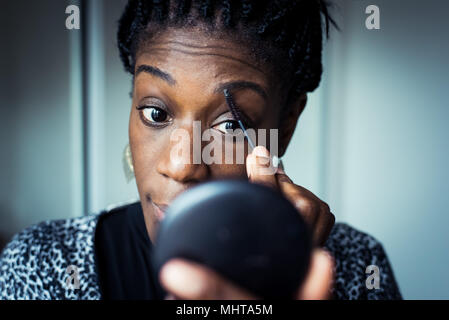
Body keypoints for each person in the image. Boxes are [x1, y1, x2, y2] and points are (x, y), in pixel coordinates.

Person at [0, 0, 401, 300]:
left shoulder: (355, 267)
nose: (182, 166)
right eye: (156, 112)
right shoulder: (43, 263)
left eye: (230, 125)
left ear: (287, 123)